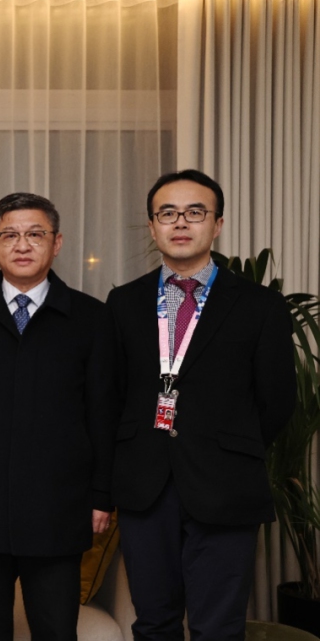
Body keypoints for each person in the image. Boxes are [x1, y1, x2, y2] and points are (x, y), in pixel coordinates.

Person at [108, 170, 296, 640]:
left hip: (226, 485)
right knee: (154, 623)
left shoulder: (261, 306)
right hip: (145, 485)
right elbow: (111, 393)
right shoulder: (123, 302)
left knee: (217, 627)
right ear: (152, 227)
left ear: (218, 224)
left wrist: (228, 446)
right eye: (167, 213)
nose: (180, 223)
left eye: (195, 212)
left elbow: (277, 401)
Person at [0, 193, 116, 641]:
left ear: (57, 242)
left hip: (61, 507)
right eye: (9, 235)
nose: (22, 245)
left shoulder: (92, 317)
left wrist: (102, 494)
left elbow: (104, 412)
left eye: (35, 234)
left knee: (55, 630)